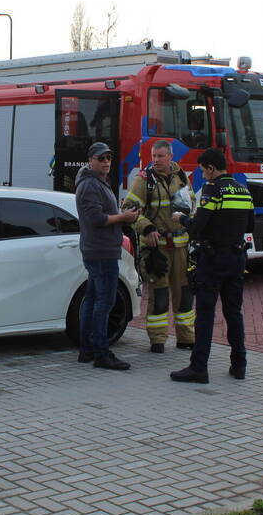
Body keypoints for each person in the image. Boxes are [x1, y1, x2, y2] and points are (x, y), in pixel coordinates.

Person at [169, 148, 254, 383]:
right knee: (233, 313)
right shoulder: (243, 190)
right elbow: (250, 226)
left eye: (203, 170)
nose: (203, 175)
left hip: (213, 259)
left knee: (205, 315)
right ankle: (239, 365)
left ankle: (199, 368)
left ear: (211, 168)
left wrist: (181, 218)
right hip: (237, 259)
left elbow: (198, 226)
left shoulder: (213, 189)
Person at [122, 140, 195, 353]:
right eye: (153, 156)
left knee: (185, 295)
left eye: (161, 156)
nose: (156, 160)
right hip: (157, 249)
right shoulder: (144, 180)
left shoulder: (182, 178)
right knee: (159, 296)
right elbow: (130, 209)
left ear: (170, 157)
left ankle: (186, 338)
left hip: (181, 246)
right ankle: (157, 340)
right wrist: (146, 228)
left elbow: (191, 206)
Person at [74, 141, 139, 371]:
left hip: (100, 249)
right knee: (105, 301)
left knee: (93, 300)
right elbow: (98, 219)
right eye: (101, 158)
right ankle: (101, 353)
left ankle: (88, 350)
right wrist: (123, 218)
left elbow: (102, 215)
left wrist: (120, 213)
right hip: (101, 252)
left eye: (109, 158)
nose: (106, 162)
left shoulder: (98, 182)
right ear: (90, 161)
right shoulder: (89, 185)